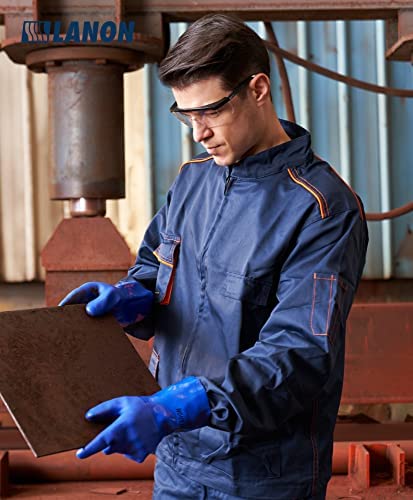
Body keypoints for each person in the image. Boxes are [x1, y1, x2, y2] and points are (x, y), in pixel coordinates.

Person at [60, 13, 368, 500]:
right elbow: (155, 272)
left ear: (258, 89)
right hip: (177, 461)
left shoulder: (321, 208)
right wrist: (129, 299)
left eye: (209, 111)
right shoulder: (192, 181)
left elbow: (298, 354)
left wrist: (173, 407)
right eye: (186, 115)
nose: (197, 133)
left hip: (263, 475)